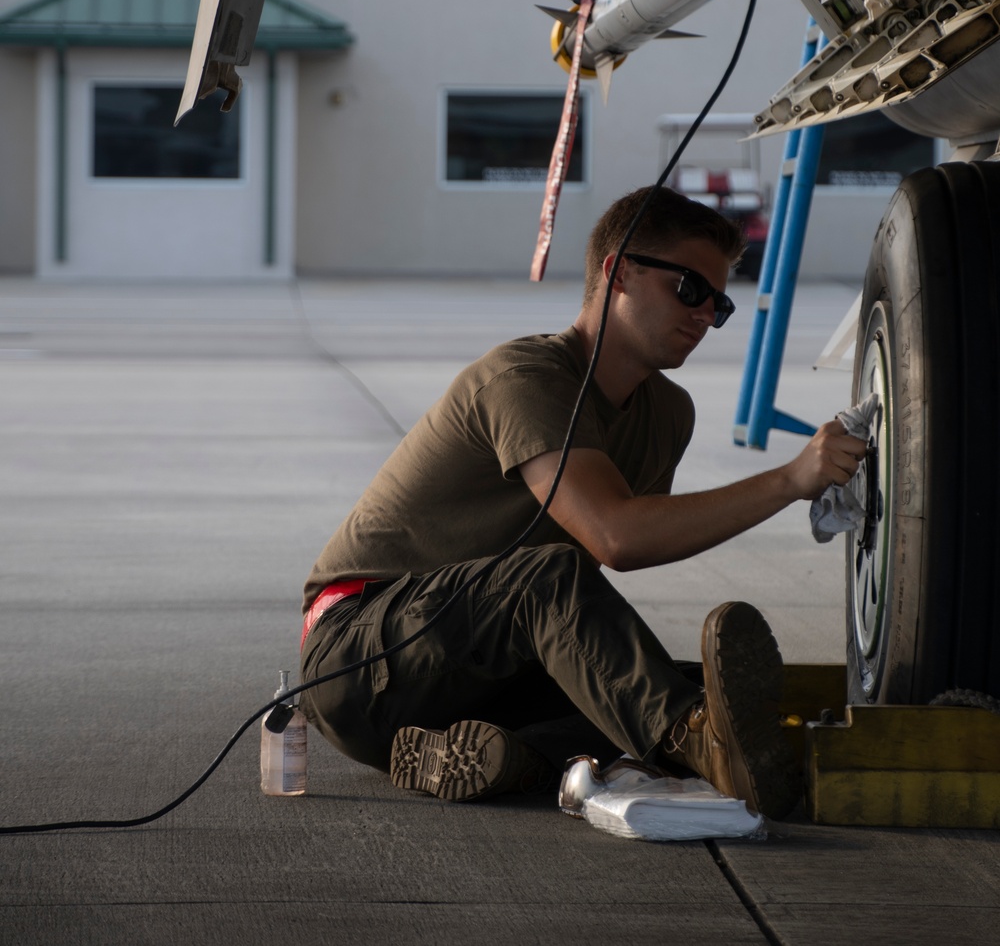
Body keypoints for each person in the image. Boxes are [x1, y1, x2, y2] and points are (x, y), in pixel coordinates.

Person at [299, 186, 865, 817]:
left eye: (721, 304)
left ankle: (509, 759)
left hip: (474, 682)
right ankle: (698, 747)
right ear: (618, 270)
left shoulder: (667, 413)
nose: (706, 315)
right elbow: (617, 538)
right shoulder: (526, 377)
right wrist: (789, 480)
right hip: (360, 656)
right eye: (690, 290)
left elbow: (645, 539)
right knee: (562, 595)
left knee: (680, 686)